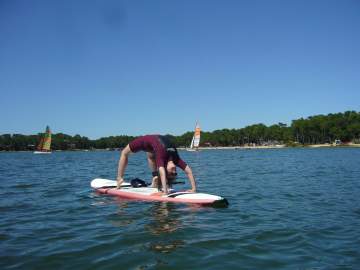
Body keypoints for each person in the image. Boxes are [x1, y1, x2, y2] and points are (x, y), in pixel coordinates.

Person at [116, 135, 197, 194]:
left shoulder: (162, 158)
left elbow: (162, 172)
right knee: (124, 153)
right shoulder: (176, 159)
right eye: (175, 173)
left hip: (152, 143)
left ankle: (155, 178)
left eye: (171, 173)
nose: (174, 171)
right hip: (145, 141)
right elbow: (188, 171)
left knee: (150, 155)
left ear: (166, 169)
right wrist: (165, 191)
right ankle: (120, 178)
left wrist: (193, 189)